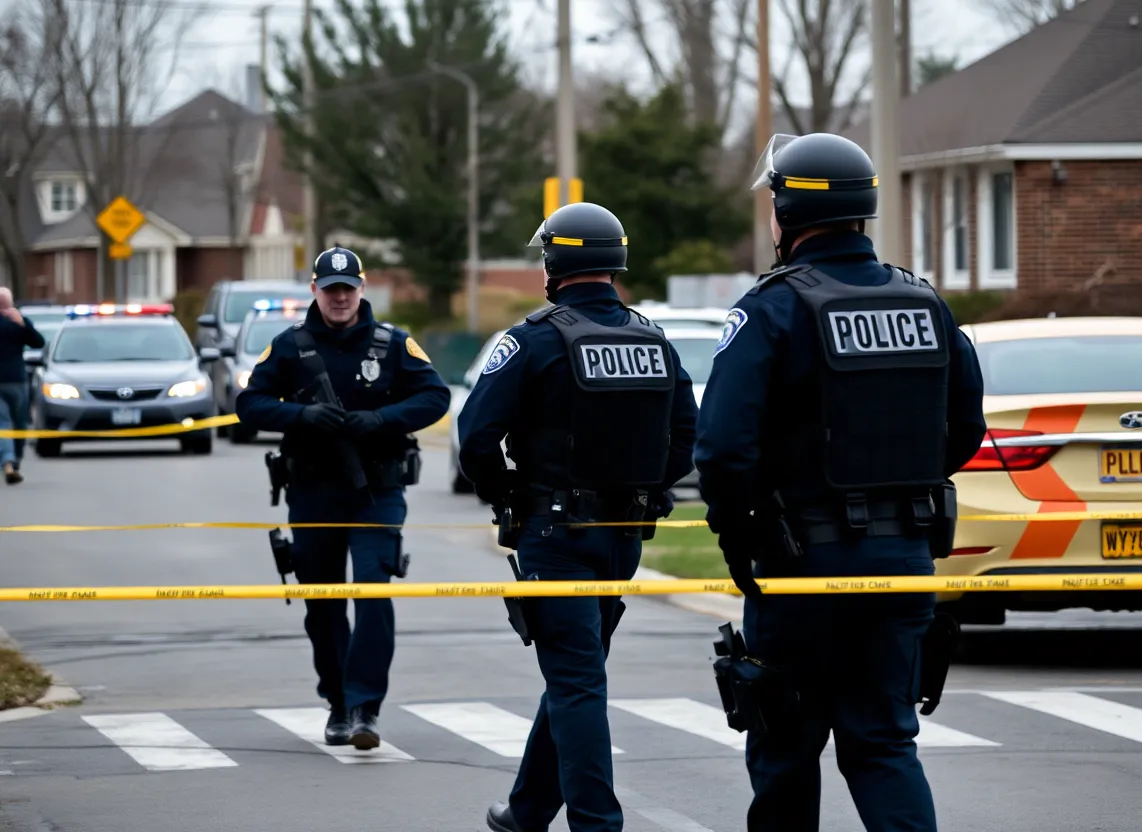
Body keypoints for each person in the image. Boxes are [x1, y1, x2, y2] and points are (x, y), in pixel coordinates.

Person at [695, 133, 987, 832]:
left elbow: (723, 450)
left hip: (802, 569)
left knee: (786, 746)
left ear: (788, 212)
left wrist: (742, 543)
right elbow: (966, 429)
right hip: (906, 563)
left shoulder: (769, 308)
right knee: (884, 743)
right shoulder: (924, 302)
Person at [457, 202, 699, 832]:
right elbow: (685, 437)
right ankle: (529, 809)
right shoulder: (653, 338)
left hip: (555, 534)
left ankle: (597, 825)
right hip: (625, 536)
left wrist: (506, 493)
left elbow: (476, 436)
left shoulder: (534, 338)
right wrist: (645, 487)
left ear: (556, 264)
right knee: (576, 670)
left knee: (577, 682)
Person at [235, 246, 450, 750]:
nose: (339, 298)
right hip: (313, 490)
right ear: (314, 290)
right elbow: (249, 403)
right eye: (330, 290)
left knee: (373, 592)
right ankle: (337, 701)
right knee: (323, 602)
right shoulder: (290, 346)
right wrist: (300, 416)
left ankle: (365, 709)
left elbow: (435, 397)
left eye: (347, 289)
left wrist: (381, 420)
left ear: (361, 289)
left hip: (378, 489)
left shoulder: (393, 344)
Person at [0, 287, 45, 485]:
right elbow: (38, 342)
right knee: (16, 423)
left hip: (10, 381)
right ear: (10, 303)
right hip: (17, 380)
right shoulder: (19, 322)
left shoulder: (18, 322)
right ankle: (13, 460)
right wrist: (22, 325)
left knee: (7, 424)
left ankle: (10, 461)